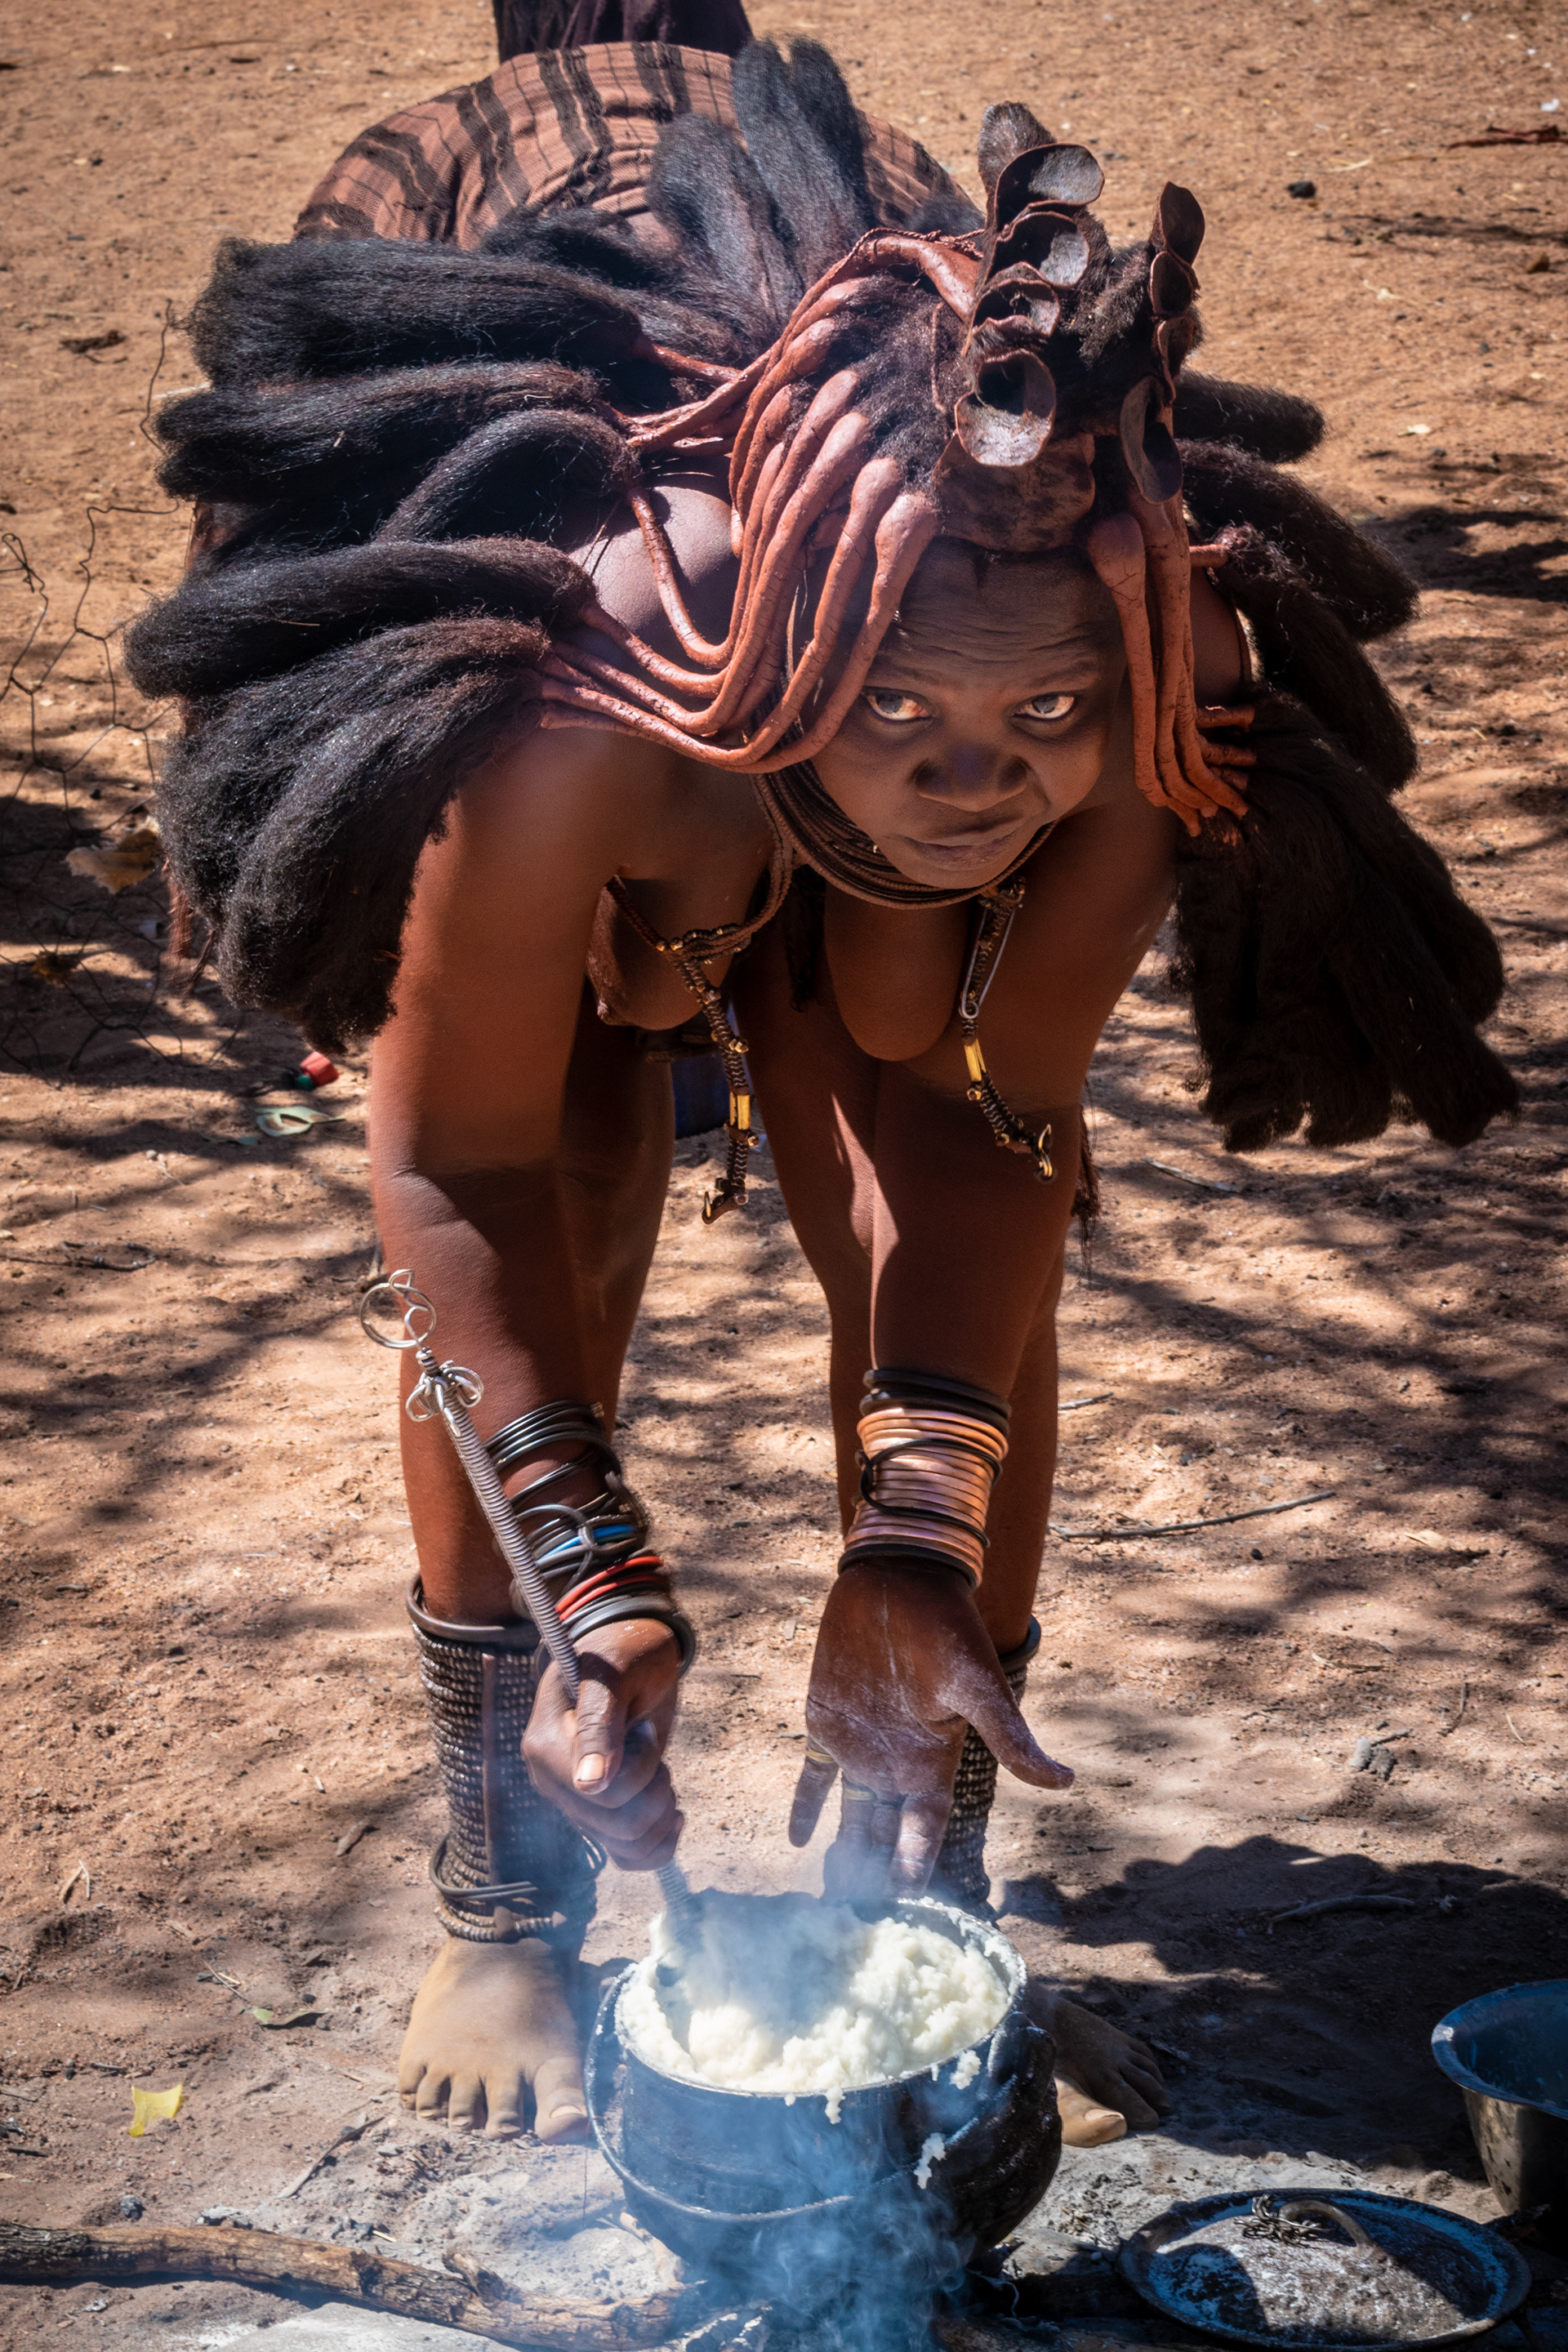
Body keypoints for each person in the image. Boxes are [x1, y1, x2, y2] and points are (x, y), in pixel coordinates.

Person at [127, 21, 1515, 2157]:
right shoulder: (558, 704)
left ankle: (919, 1910)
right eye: (917, 715)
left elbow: (991, 1122)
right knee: (576, 1175)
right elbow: (454, 1166)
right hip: (645, 742)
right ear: (792, 640)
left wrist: (915, 1537)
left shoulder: (1144, 671)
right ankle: (503, 1900)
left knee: (952, 1277)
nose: (981, 781)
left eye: (1043, 713)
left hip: (794, 744)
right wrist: (601, 1587)